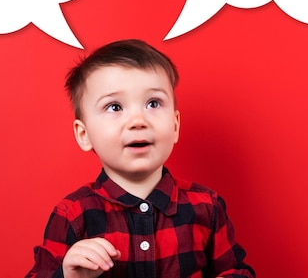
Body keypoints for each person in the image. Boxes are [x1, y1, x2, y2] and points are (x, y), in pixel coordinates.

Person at [24, 39, 255, 278]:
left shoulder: (206, 207)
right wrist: (67, 275)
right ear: (84, 135)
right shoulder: (73, 214)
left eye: (153, 103)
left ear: (175, 126)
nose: (138, 121)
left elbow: (236, 271)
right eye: (114, 107)